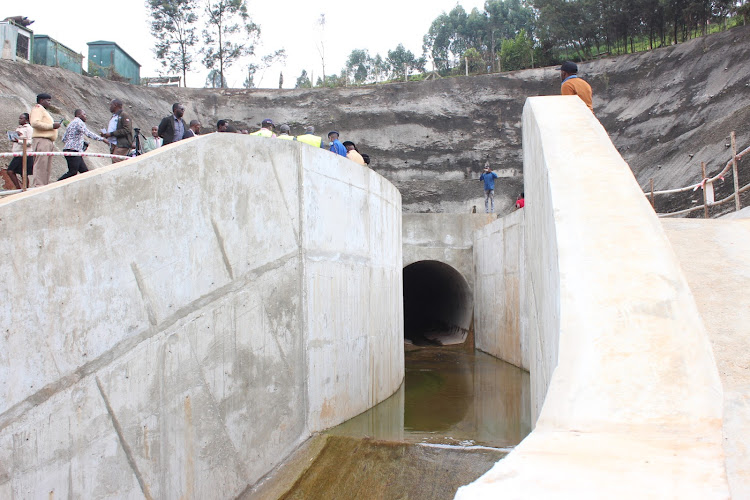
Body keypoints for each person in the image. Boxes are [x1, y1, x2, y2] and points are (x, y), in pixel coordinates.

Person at [59, 109, 108, 181]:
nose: (86, 116)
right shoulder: (79, 122)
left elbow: (64, 138)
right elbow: (88, 133)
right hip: (74, 151)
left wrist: (79, 142)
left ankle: (91, 187)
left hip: (70, 150)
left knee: (85, 172)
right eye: (84, 114)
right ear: (78, 115)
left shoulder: (71, 123)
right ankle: (55, 185)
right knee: (72, 172)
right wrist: (102, 139)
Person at [30, 93, 61, 187]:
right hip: (41, 140)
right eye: (48, 101)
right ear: (41, 100)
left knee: (46, 166)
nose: (49, 103)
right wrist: (52, 126)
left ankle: (44, 186)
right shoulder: (38, 108)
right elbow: (34, 123)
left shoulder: (43, 110)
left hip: (48, 141)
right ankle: (38, 186)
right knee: (41, 164)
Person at [5, 112, 35, 189]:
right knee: (13, 172)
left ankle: (24, 189)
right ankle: (19, 188)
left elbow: (30, 142)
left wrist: (19, 141)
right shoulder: (19, 128)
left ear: (27, 120)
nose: (19, 120)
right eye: (19, 118)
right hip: (18, 153)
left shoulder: (29, 129)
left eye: (21, 118)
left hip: (26, 153)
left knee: (22, 173)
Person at [102, 99, 133, 163]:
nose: (110, 107)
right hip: (114, 144)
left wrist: (111, 134)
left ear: (115, 105)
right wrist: (106, 134)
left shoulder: (124, 115)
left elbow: (127, 129)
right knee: (115, 162)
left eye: (111, 105)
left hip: (121, 144)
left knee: (116, 162)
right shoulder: (114, 116)